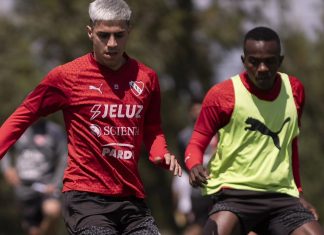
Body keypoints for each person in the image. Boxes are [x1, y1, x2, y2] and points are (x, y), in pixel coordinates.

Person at [0, 0, 182, 234]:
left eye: (119, 35)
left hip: (131, 199)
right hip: (85, 198)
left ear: (129, 32)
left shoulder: (147, 78)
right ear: (90, 32)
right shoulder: (66, 77)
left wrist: (160, 153)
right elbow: (23, 116)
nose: (112, 44)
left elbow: (152, 128)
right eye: (103, 35)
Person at [185, 26, 324, 235]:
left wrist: (299, 193)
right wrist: (194, 164)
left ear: (280, 60)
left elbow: (290, 145)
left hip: (281, 198)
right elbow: (196, 142)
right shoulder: (222, 95)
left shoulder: (294, 91)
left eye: (269, 61)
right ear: (243, 61)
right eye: (254, 61)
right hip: (235, 195)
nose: (262, 68)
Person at [1, 119, 67, 235]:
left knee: (53, 210)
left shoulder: (55, 131)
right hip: (24, 187)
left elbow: (64, 158)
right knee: (33, 231)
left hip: (47, 186)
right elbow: (3, 143)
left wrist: (56, 183)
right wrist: (7, 169)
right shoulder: (18, 127)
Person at [172, 98, 215, 235]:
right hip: (198, 189)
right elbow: (182, 160)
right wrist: (194, 172)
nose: (197, 113)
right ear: (189, 113)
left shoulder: (217, 131)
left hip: (219, 185)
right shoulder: (184, 136)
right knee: (199, 224)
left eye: (199, 109)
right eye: (194, 110)